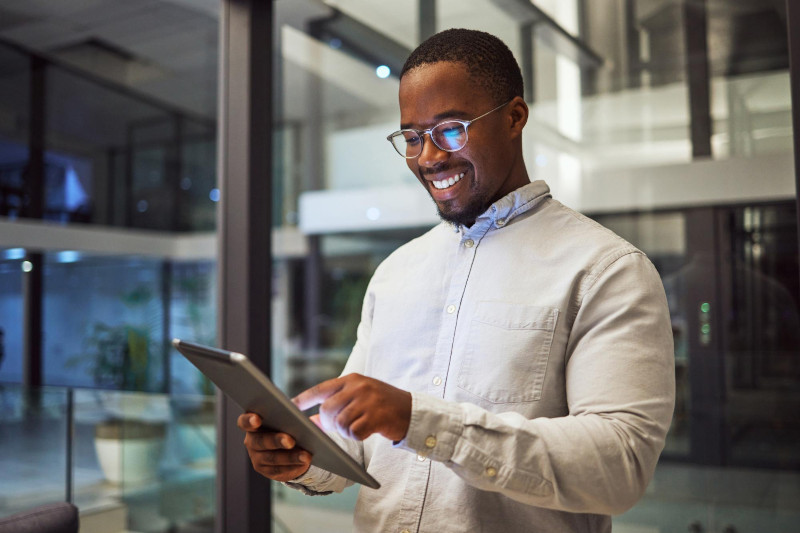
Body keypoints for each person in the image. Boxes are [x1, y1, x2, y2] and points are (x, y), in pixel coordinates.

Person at [238, 28, 675, 532]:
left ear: (514, 117)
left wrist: (417, 421)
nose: (428, 157)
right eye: (412, 136)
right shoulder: (396, 272)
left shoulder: (607, 270)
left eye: (451, 129)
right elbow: (359, 447)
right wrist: (302, 456)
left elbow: (619, 468)